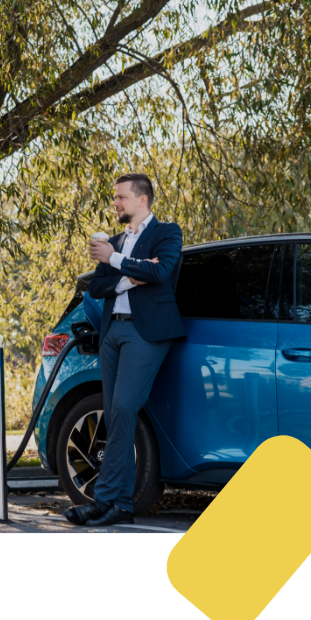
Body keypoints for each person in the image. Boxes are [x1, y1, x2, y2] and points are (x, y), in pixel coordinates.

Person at [64, 173, 185, 527]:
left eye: (121, 197)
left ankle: (102, 502)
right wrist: (131, 276)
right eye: (114, 198)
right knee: (118, 415)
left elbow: (161, 272)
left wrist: (116, 260)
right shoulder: (114, 241)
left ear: (142, 200)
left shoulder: (167, 233)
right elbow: (97, 286)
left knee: (122, 407)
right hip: (112, 330)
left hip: (145, 333)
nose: (115, 203)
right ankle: (122, 506)